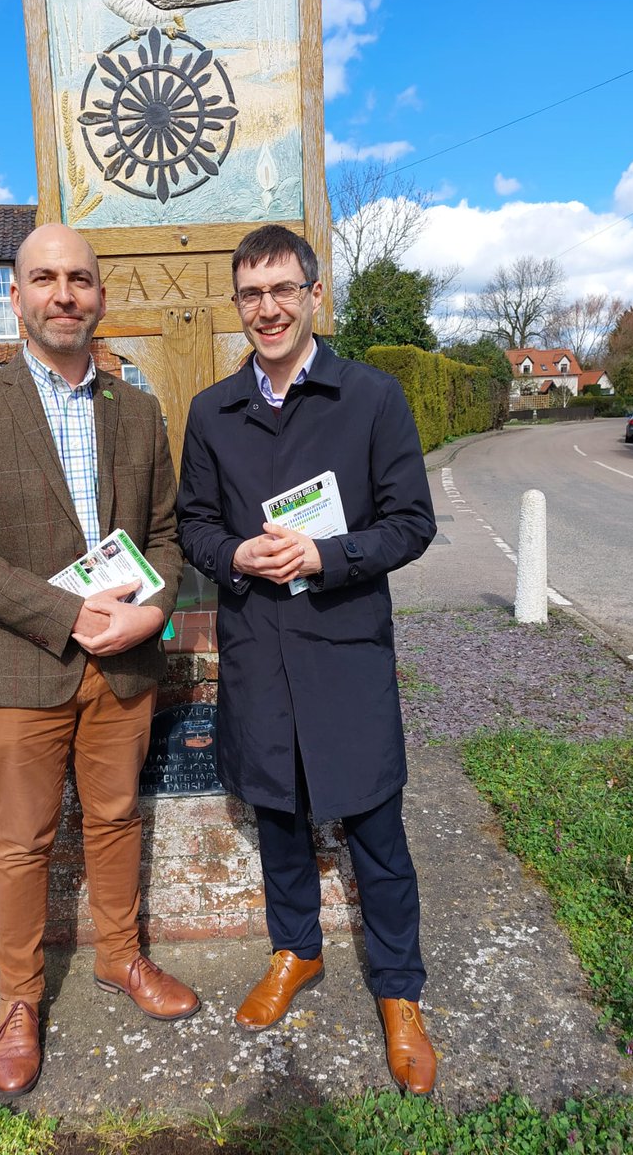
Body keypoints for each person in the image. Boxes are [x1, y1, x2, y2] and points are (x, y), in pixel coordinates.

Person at [0, 222, 199, 1100]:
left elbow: (166, 537)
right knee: (21, 841)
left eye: (79, 279)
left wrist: (151, 616)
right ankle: (18, 1001)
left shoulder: (139, 410)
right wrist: (70, 615)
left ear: (100, 295)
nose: (64, 294)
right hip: (21, 663)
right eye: (44, 279)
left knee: (117, 817)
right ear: (16, 296)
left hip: (121, 664)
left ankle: (121, 958)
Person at [176, 224, 438, 1094]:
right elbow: (195, 527)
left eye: (284, 289)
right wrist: (233, 558)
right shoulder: (213, 412)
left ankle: (399, 992)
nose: (269, 308)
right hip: (259, 649)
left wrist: (328, 558)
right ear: (239, 304)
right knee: (279, 821)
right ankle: (297, 952)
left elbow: (411, 523)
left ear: (315, 295)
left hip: (344, 649)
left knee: (376, 832)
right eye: (252, 294)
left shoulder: (371, 398)